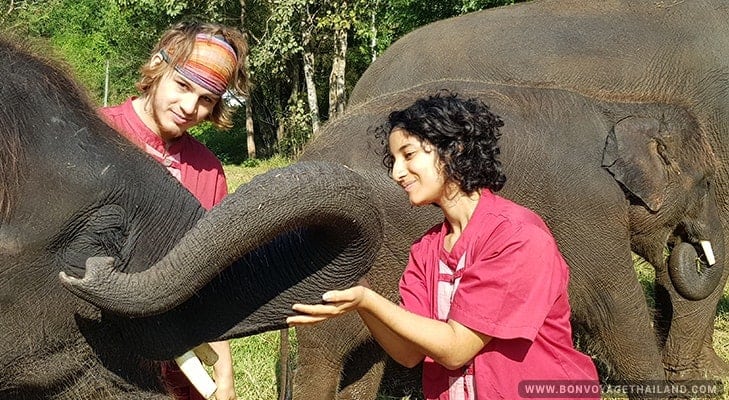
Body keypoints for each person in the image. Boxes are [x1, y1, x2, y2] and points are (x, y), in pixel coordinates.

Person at [286, 92, 599, 399]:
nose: (396, 173)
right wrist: (359, 298)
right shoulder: (427, 249)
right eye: (393, 160)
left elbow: (456, 349)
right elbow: (408, 354)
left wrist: (369, 300)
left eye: (408, 156)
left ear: (454, 150)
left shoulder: (517, 237)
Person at [100, 21, 249, 400]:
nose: (189, 108)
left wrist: (223, 373)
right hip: (95, 361)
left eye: (206, 100)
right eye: (182, 86)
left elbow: (211, 276)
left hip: (177, 367)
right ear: (157, 66)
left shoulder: (208, 171)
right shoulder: (97, 134)